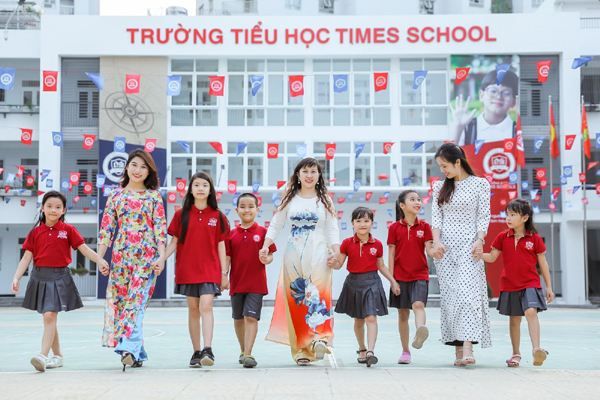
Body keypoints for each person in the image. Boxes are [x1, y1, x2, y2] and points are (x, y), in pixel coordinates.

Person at [11, 191, 108, 372]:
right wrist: (16, 277)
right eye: (49, 206)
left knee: (50, 315)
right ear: (42, 208)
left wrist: (100, 260)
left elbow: (84, 249)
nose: (53, 210)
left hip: (59, 277)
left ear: (63, 210)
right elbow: (26, 258)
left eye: (58, 207)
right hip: (39, 277)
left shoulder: (68, 230)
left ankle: (42, 355)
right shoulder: (35, 232)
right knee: (49, 317)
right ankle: (58, 356)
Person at [260, 157, 340, 366]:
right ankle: (302, 349)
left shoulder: (324, 200)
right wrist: (266, 245)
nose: (309, 175)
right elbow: (276, 224)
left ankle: (319, 339)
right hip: (293, 255)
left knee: (319, 295)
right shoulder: (289, 198)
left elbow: (332, 228)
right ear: (298, 175)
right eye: (305, 171)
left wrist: (336, 253)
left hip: (320, 254)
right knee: (298, 300)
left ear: (319, 176)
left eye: (313, 171)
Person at [98, 149, 167, 371]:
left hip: (146, 259)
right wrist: (99, 258)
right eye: (134, 165)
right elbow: (106, 230)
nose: (138, 170)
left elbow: (160, 230)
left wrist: (162, 257)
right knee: (122, 305)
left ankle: (128, 348)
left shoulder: (154, 196)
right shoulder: (115, 196)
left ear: (149, 171)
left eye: (143, 167)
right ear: (127, 167)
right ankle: (138, 352)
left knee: (135, 304)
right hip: (121, 259)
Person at [431, 143, 491, 367]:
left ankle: (468, 347)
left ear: (458, 162)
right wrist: (437, 242)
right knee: (451, 297)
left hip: (469, 247)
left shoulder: (480, 184)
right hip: (445, 250)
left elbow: (483, 215)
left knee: (467, 295)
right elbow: (436, 217)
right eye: (440, 167)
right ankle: (457, 348)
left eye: (445, 166)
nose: (443, 171)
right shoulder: (439, 187)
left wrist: (480, 240)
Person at [166, 172, 229, 367]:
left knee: (206, 306)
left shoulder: (218, 216)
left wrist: (224, 273)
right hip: (187, 270)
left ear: (210, 190)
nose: (200, 188)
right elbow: (174, 242)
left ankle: (208, 349)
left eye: (204, 185)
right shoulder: (181, 215)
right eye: (197, 185)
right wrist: (161, 259)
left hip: (210, 269)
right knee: (193, 310)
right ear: (191, 190)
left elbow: (221, 245)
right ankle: (196, 351)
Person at [483, 199, 555, 367]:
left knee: (531, 311)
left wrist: (549, 286)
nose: (508, 218)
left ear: (524, 218)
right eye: (507, 214)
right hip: (509, 284)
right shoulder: (502, 237)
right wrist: (479, 255)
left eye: (513, 215)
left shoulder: (534, 239)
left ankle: (536, 349)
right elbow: (492, 257)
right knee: (514, 319)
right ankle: (516, 354)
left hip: (530, 283)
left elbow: (543, 263)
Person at [329, 207, 400, 367]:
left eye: (366, 220)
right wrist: (333, 263)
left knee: (371, 317)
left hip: (372, 282)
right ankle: (362, 348)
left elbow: (381, 266)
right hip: (353, 283)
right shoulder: (347, 243)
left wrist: (393, 281)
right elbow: (338, 265)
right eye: (358, 221)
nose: (362, 224)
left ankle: (371, 352)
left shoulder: (378, 244)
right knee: (359, 320)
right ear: (352, 223)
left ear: (371, 223)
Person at [225, 193, 276, 368]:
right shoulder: (231, 234)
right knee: (238, 318)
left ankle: (248, 353)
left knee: (251, 317)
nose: (247, 210)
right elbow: (227, 258)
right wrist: (224, 276)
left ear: (257, 209)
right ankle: (242, 350)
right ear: (237, 210)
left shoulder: (264, 233)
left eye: (251, 206)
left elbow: (270, 255)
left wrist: (267, 259)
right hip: (237, 283)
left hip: (256, 285)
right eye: (243, 206)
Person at [387, 190, 435, 364]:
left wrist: (436, 251)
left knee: (418, 304)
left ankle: (420, 330)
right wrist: (392, 280)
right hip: (400, 277)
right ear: (402, 205)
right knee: (403, 315)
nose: (417, 202)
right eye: (412, 199)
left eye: (419, 199)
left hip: (420, 274)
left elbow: (429, 250)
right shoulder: (394, 228)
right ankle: (406, 351)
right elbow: (391, 255)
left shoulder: (425, 227)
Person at [452, 69, 519, 145]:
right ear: (481, 95)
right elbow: (447, 152)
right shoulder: (466, 128)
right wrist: (457, 128)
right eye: (493, 91)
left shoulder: (518, 132)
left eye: (506, 93)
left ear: (514, 101)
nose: (498, 96)